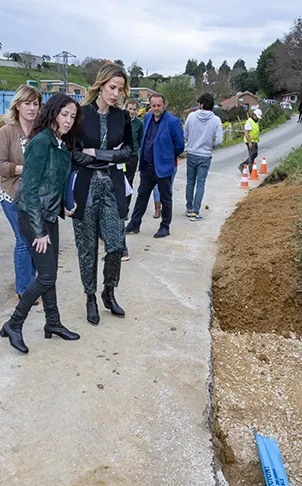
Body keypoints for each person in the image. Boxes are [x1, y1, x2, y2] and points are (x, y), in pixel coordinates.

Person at [0, 94, 81, 353]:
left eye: (73, 116)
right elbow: (32, 188)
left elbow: (54, 181)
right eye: (64, 114)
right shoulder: (41, 142)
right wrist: (39, 231)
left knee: (50, 274)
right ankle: (15, 323)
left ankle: (53, 323)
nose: (68, 120)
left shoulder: (59, 143)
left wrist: (65, 204)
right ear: (53, 113)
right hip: (32, 216)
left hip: (47, 215)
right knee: (45, 275)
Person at [70, 64, 134, 326]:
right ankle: (90, 297)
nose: (116, 94)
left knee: (116, 245)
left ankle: (109, 291)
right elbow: (74, 152)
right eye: (112, 88)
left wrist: (97, 154)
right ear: (100, 85)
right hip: (85, 187)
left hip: (113, 186)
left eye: (120, 89)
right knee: (86, 248)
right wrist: (107, 156)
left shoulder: (122, 117)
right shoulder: (80, 115)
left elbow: (128, 151)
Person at [0, 85, 42, 304]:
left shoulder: (42, 131)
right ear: (18, 105)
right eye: (27, 103)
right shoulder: (6, 132)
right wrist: (25, 168)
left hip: (36, 196)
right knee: (23, 240)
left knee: (34, 239)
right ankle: (24, 288)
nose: (32, 108)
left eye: (35, 104)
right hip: (12, 195)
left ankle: (32, 280)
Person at [125, 93, 185, 239]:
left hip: (163, 166)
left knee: (165, 198)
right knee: (142, 196)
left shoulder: (173, 122)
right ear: (150, 106)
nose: (156, 108)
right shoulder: (147, 118)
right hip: (147, 166)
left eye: (159, 105)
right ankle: (134, 223)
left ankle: (165, 226)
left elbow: (180, 146)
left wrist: (167, 157)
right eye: (153, 105)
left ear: (164, 105)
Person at [184, 93, 223, 221]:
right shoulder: (216, 120)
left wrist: (192, 141)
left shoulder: (191, 116)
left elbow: (186, 134)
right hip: (205, 155)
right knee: (200, 183)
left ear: (201, 104)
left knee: (190, 181)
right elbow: (219, 140)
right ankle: (196, 211)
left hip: (191, 152)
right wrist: (211, 146)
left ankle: (189, 208)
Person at [121, 98, 144, 261]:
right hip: (119, 155)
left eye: (134, 109)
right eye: (129, 108)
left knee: (128, 184)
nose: (132, 111)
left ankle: (125, 210)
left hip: (132, 156)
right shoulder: (120, 120)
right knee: (117, 183)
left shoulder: (139, 125)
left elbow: (140, 140)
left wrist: (134, 151)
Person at [238, 108, 262, 174]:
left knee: (254, 154)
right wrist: (249, 143)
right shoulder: (249, 122)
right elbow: (246, 133)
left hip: (254, 141)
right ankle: (250, 170)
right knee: (252, 156)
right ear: (254, 115)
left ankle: (243, 165)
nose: (258, 118)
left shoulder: (255, 122)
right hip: (250, 141)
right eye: (257, 117)